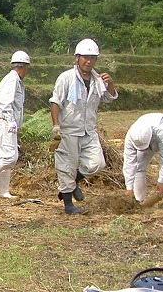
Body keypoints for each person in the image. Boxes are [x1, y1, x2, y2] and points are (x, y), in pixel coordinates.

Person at [49, 38, 117, 214]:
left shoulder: (98, 80)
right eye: (85, 57)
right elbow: (56, 102)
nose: (89, 61)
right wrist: (56, 125)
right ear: (77, 58)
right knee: (66, 166)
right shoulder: (66, 78)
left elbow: (109, 99)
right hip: (69, 130)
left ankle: (74, 183)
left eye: (92, 58)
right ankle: (68, 205)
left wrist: (110, 84)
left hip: (88, 129)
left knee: (97, 164)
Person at [0, 50, 30, 198]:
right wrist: (10, 122)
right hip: (5, 122)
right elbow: (5, 103)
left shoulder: (13, 79)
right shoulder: (12, 80)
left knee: (5, 157)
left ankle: (3, 191)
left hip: (4, 123)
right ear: (24, 66)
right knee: (10, 156)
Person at [122, 113, 163, 202]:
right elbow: (129, 162)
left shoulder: (162, 131)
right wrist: (129, 187)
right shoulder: (131, 137)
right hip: (148, 139)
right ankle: (139, 200)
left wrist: (161, 181)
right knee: (139, 167)